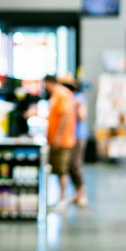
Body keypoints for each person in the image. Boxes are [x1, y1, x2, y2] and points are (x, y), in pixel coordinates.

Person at [45, 74, 76, 210]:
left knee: (61, 170)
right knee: (58, 170)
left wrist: (58, 136)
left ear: (49, 82)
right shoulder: (57, 94)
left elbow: (64, 115)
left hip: (63, 141)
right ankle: (60, 198)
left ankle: (62, 199)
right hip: (57, 140)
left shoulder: (61, 94)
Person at [60, 75, 89, 207]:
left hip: (79, 136)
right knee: (69, 166)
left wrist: (76, 107)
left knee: (75, 165)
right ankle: (77, 194)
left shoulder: (79, 98)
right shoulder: (66, 97)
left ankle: (82, 195)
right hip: (68, 136)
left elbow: (82, 117)